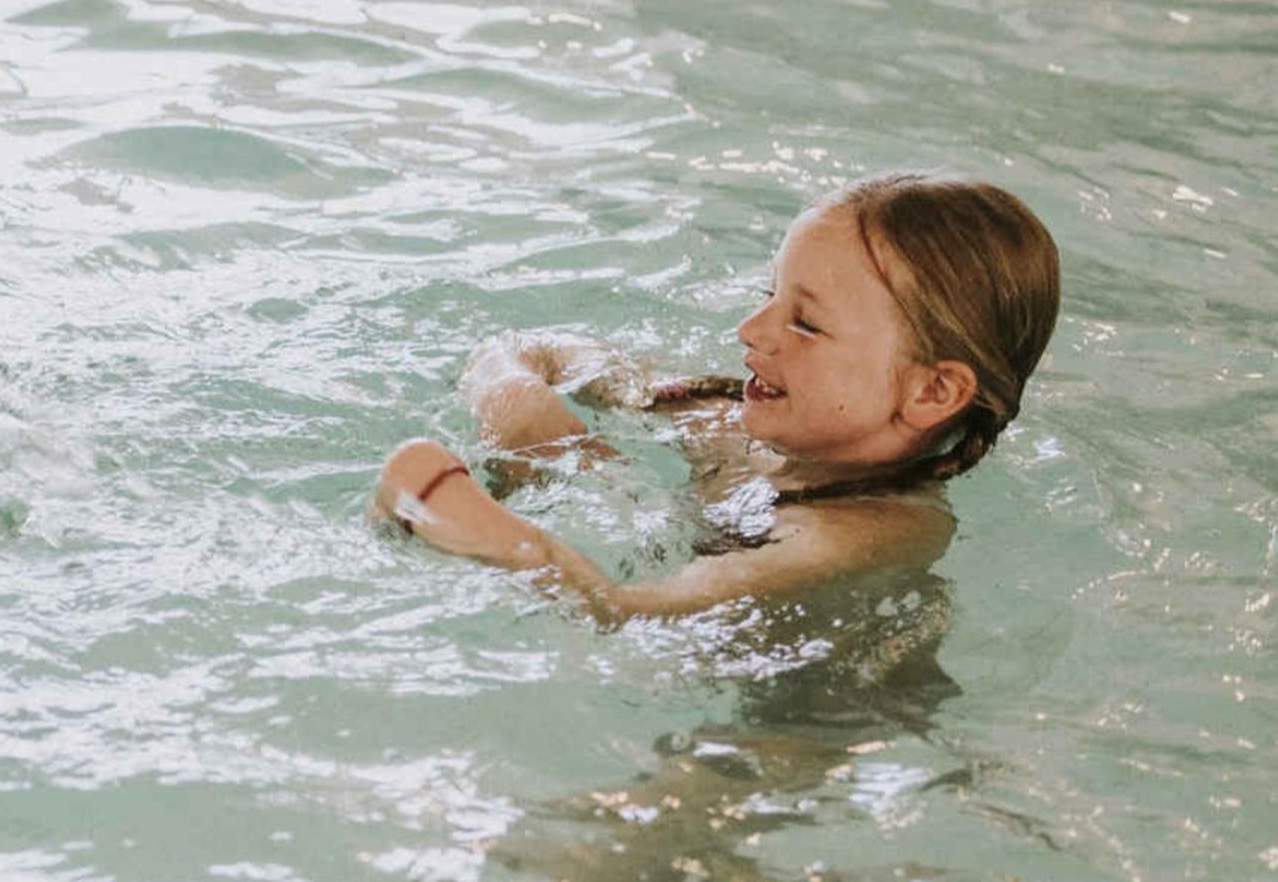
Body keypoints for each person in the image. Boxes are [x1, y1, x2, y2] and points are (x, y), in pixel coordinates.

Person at [371, 173, 1059, 621]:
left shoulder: (862, 532)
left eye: (806, 323)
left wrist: (516, 547)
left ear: (932, 390)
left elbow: (625, 612)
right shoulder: (732, 428)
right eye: (770, 297)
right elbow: (533, 351)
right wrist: (531, 419)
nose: (751, 331)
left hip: (812, 722)